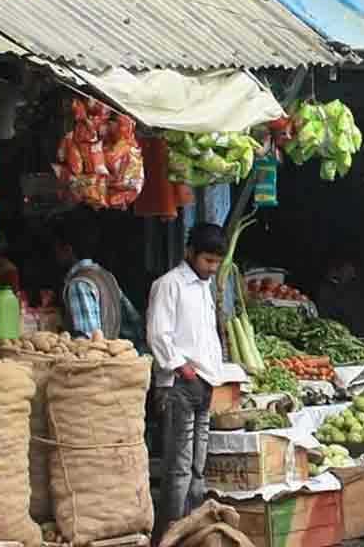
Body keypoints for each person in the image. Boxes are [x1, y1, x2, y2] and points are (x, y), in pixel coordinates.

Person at [148, 223, 227, 536]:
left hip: (203, 383)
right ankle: (169, 534)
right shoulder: (170, 284)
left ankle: (195, 531)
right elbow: (158, 333)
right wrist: (183, 368)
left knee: (197, 466)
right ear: (190, 253)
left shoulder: (204, 287)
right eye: (207, 260)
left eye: (216, 262)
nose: (212, 267)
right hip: (180, 384)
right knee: (179, 467)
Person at [51, 218, 138, 341]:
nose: (55, 253)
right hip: (113, 356)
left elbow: (88, 339)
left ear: (67, 250)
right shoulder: (107, 276)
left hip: (96, 358)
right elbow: (133, 321)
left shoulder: (79, 284)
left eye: (57, 247)